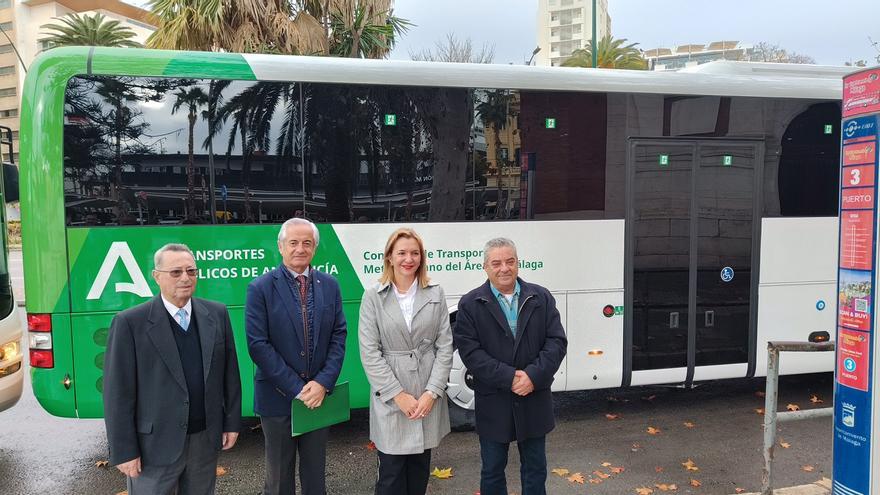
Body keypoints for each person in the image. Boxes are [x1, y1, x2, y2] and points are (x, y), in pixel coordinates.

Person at [103, 243, 242, 495]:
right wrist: (124, 450)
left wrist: (231, 423)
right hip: (153, 448)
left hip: (204, 442)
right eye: (176, 272)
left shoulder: (217, 313)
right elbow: (117, 393)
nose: (185, 278)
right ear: (157, 277)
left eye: (191, 271)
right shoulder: (129, 323)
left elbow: (229, 375)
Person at [453, 237, 567, 495]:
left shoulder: (541, 297)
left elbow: (557, 342)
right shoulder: (470, 304)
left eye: (510, 261)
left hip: (534, 396)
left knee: (536, 469)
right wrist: (509, 378)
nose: (504, 268)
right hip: (494, 401)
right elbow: (471, 353)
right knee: (492, 470)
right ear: (485, 267)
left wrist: (533, 376)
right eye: (496, 263)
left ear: (518, 263)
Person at [246, 217, 347, 495]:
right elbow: (257, 344)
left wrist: (323, 383)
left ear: (314, 248)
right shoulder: (261, 288)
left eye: (307, 243)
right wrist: (297, 388)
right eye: (293, 242)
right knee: (279, 479)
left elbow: (339, 336)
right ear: (281, 247)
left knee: (316, 478)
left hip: (318, 397)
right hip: (277, 398)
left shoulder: (330, 285)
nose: (300, 249)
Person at [358, 228, 453, 495]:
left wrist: (432, 393)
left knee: (419, 474)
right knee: (390, 477)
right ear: (389, 257)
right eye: (401, 253)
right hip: (392, 397)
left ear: (422, 258)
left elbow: (444, 346)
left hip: (426, 394)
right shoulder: (373, 297)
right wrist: (397, 395)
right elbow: (369, 352)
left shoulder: (436, 294)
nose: (408, 259)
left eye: (415, 253)